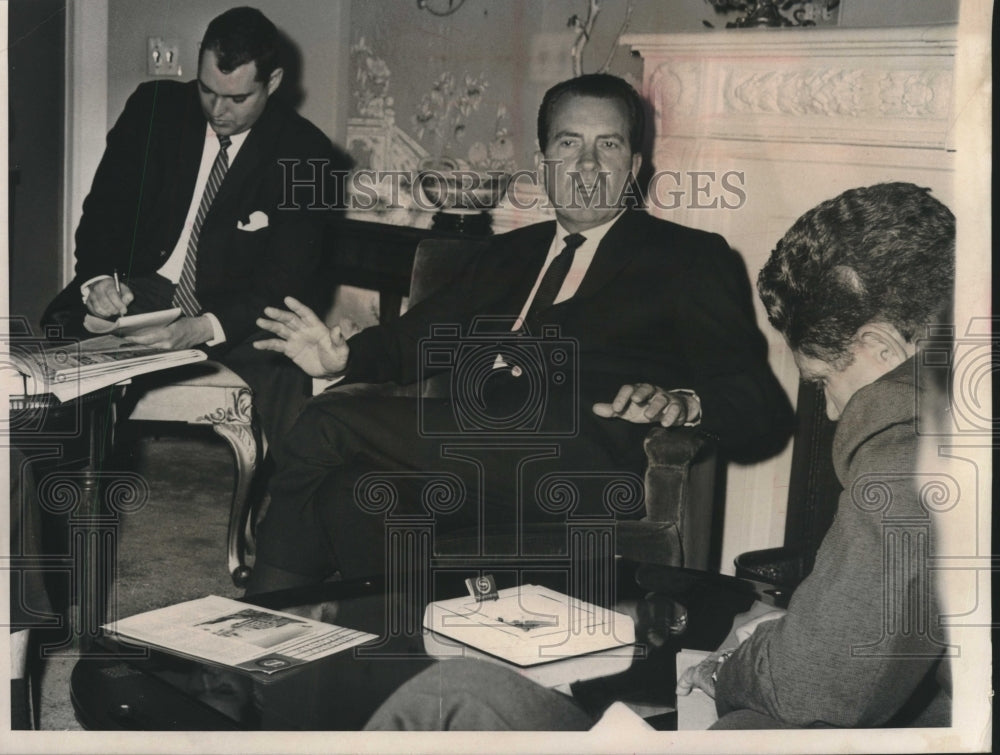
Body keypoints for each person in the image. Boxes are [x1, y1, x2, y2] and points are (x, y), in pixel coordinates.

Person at [361, 182, 954, 731]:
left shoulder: (906, 465)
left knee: (454, 694)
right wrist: (796, 631)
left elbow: (816, 687)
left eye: (823, 381)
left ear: (879, 346)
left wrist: (732, 667)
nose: (828, 413)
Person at [244, 73, 792, 592]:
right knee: (350, 494)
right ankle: (401, 662)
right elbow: (412, 339)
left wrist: (683, 403)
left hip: (587, 460)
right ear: (544, 162)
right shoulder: (507, 255)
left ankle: (256, 625)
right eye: (569, 144)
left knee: (328, 420)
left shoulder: (689, 258)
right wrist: (339, 360)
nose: (586, 165)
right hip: (482, 461)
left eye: (608, 146)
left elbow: (759, 404)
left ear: (635, 165)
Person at [42, 7, 341, 445]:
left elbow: (286, 279)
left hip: (237, 309)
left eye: (238, 99)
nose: (218, 111)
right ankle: (64, 496)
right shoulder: (152, 109)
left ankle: (278, 506)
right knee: (57, 349)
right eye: (207, 90)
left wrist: (202, 326)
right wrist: (99, 278)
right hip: (143, 289)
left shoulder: (308, 152)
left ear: (272, 83)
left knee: (286, 379)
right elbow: (104, 213)